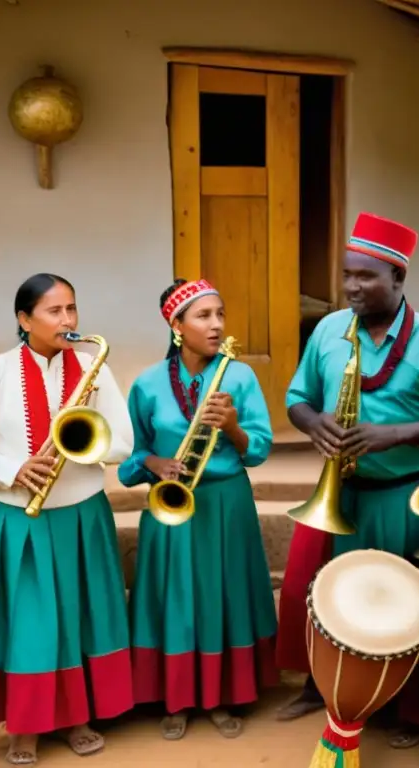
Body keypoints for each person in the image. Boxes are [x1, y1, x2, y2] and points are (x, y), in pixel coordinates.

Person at [281, 212, 419, 746]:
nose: (352, 286)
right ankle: (328, 690)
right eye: (347, 275)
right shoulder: (328, 331)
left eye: (366, 277)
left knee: (407, 606)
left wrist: (395, 434)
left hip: (404, 497)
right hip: (345, 496)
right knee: (336, 601)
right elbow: (297, 399)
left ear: (399, 280)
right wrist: (315, 424)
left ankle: (406, 709)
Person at [0, 273, 135, 764]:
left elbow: (122, 442)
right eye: (54, 311)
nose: (68, 320)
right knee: (31, 625)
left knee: (81, 618)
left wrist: (88, 442)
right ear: (24, 319)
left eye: (72, 309)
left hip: (83, 517)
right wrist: (11, 467)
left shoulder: (94, 369)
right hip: (23, 520)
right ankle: (25, 726)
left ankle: (77, 717)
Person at [119, 278, 278, 741]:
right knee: (176, 598)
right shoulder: (147, 384)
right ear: (176, 326)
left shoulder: (240, 377)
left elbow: (260, 449)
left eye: (220, 315)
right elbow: (131, 457)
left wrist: (232, 426)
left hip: (226, 503)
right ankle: (176, 697)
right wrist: (154, 463)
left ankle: (223, 695)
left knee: (223, 594)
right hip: (171, 505)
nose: (216, 325)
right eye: (203, 316)